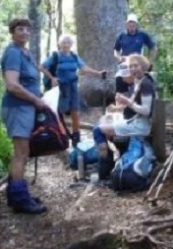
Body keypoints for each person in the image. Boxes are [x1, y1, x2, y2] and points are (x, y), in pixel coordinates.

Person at [1, 18, 49, 214]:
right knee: (21, 153)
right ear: (13, 32)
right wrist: (36, 100)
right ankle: (21, 200)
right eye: (20, 29)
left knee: (23, 152)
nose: (24, 32)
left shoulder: (26, 53)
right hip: (17, 107)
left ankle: (16, 195)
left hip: (26, 108)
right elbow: (12, 85)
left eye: (28, 29)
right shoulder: (12, 53)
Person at [93, 54, 156, 179]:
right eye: (131, 66)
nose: (133, 69)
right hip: (136, 121)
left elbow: (146, 111)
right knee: (103, 122)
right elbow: (134, 106)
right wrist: (122, 104)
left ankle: (104, 171)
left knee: (98, 130)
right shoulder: (141, 81)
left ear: (143, 66)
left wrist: (127, 102)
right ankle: (108, 164)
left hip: (140, 126)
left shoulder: (146, 84)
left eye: (136, 65)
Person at [40, 34, 106, 147]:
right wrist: (52, 78)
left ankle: (76, 138)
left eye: (68, 42)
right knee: (59, 112)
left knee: (75, 112)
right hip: (60, 88)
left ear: (71, 44)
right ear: (60, 44)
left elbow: (83, 68)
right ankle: (60, 136)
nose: (66, 45)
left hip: (73, 86)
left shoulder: (74, 56)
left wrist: (98, 73)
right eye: (64, 42)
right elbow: (41, 67)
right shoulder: (55, 56)